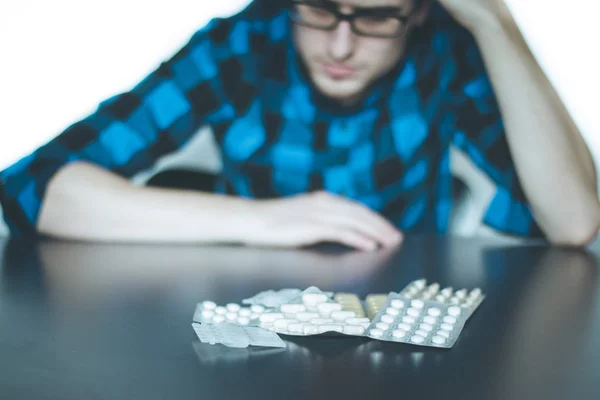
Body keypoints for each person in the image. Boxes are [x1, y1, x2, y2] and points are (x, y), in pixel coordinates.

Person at [0, 0, 598, 250]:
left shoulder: (445, 54)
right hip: (248, 324)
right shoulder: (239, 45)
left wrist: (495, 21)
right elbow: (36, 186)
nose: (341, 43)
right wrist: (264, 220)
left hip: (404, 329)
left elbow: (574, 221)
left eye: (376, 16)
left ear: (418, 12)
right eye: (318, 8)